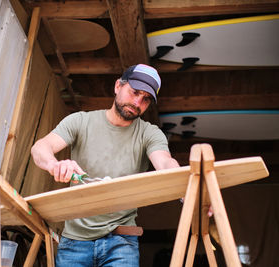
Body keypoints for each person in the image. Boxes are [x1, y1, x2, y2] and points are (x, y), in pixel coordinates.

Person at [31, 64, 180, 266]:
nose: (137, 102)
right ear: (118, 85)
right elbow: (40, 147)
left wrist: (185, 186)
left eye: (146, 99)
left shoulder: (150, 133)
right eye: (134, 92)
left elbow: (164, 162)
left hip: (122, 241)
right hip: (74, 240)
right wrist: (54, 165)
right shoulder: (80, 121)